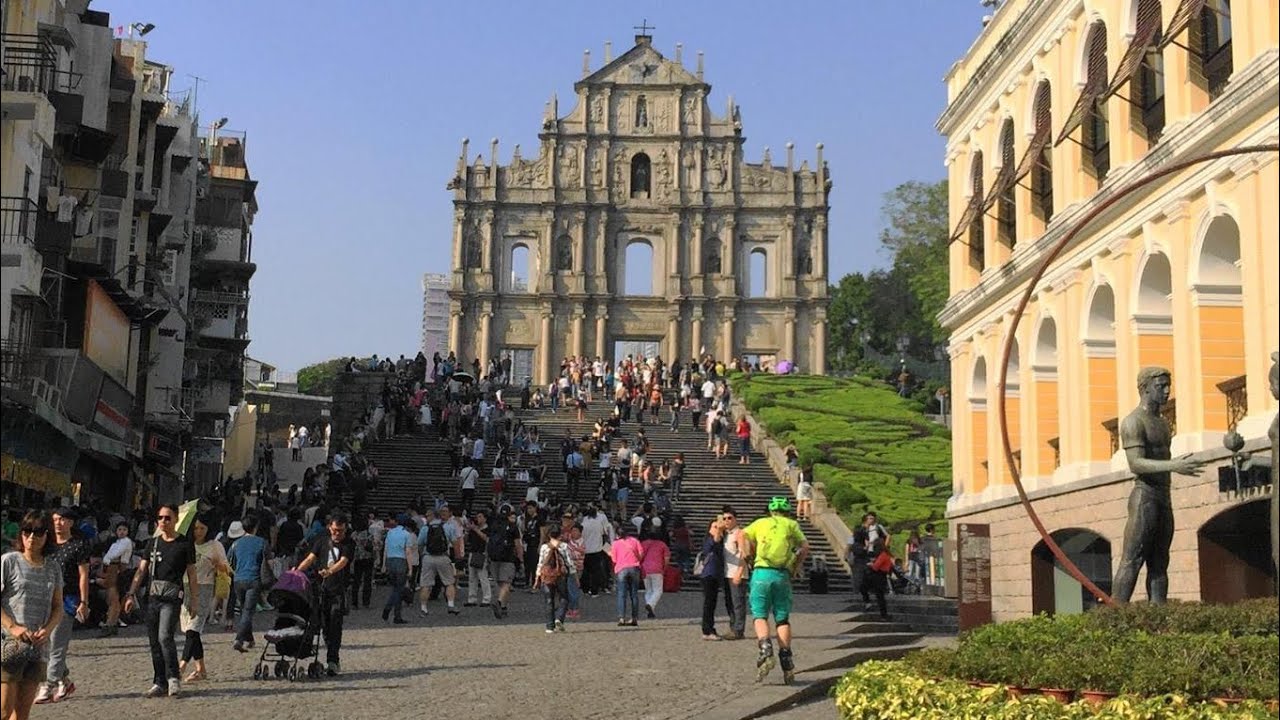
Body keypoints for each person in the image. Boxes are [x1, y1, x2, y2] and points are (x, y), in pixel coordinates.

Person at [1112, 368, 1207, 604]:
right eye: (1161, 386)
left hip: (1164, 497)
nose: (1166, 391)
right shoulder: (1133, 422)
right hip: (1145, 497)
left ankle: (1158, 617)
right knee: (1132, 559)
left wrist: (1173, 464)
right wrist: (1173, 465)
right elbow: (1136, 463)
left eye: (1168, 386)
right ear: (1145, 389)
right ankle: (1114, 617)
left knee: (1160, 561)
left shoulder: (1163, 423)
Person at [124, 505, 198, 698]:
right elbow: (141, 570)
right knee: (154, 641)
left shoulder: (184, 544)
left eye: (167, 518)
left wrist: (194, 600)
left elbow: (191, 573)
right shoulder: (153, 543)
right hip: (153, 597)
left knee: (165, 636)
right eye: (160, 518)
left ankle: (174, 678)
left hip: (172, 598)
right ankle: (159, 681)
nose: (163, 521)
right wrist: (131, 593)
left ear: (175, 519)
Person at [1, 511, 63, 719]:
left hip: (37, 647)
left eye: (38, 532)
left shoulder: (53, 568)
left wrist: (48, 629)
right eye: (27, 531)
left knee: (22, 712)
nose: (31, 538)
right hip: (8, 645)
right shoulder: (9, 562)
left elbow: (58, 606)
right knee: (4, 710)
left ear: (47, 536)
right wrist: (13, 627)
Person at [741, 497, 809, 685]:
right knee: (782, 618)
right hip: (782, 575)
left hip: (761, 573)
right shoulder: (792, 524)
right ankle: (786, 656)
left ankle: (765, 647)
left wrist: (746, 555)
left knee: (760, 615)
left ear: (770, 510)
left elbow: (742, 535)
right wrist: (796, 566)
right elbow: (805, 547)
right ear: (787, 511)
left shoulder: (760, 523)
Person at [36, 508, 89, 705]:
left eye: (63, 519)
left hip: (68, 599)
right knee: (45, 645)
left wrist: (84, 602)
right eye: (56, 519)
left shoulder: (78, 545)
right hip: (45, 598)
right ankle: (64, 680)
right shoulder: (47, 544)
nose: (58, 523)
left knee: (57, 643)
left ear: (71, 523)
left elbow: (83, 575)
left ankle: (48, 685)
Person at [295, 512, 354, 676]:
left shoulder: (349, 543)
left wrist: (330, 571)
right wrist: (296, 572)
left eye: (341, 531)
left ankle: (333, 661)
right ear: (330, 527)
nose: (337, 534)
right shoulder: (321, 541)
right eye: (335, 530)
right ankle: (326, 655)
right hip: (320, 590)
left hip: (338, 591)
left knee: (335, 624)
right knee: (321, 626)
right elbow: (310, 558)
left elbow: (343, 561)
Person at [179, 515, 229, 683]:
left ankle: (182, 666)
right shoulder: (186, 545)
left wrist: (217, 564)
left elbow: (227, 569)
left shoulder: (215, 546)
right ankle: (201, 669)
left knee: (193, 629)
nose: (198, 532)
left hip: (204, 588)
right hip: (186, 587)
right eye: (195, 528)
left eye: (202, 528)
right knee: (191, 632)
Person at [533, 526, 574, 633]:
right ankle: (559, 618)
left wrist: (537, 576)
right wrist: (574, 575)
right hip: (560, 575)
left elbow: (541, 563)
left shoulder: (544, 547)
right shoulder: (564, 546)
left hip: (547, 576)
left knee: (549, 600)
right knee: (564, 598)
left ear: (549, 535)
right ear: (560, 535)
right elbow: (569, 562)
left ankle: (549, 626)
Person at [97, 522, 134, 637]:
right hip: (111, 569)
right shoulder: (116, 543)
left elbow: (114, 555)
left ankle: (110, 624)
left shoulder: (126, 542)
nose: (122, 532)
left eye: (124, 529)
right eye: (119, 529)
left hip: (118, 569)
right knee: (112, 598)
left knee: (114, 598)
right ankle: (111, 623)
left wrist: (107, 559)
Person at [698, 515, 731, 641]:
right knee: (709, 603)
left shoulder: (722, 539)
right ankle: (707, 630)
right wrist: (719, 527)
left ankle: (710, 628)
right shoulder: (709, 539)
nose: (717, 528)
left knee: (712, 603)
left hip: (716, 573)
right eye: (714, 526)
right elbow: (715, 541)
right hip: (709, 573)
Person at [381, 514, 414, 624]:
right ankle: (388, 608)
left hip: (390, 560)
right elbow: (408, 552)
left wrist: (383, 564)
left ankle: (397, 616)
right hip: (401, 561)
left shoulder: (390, 532)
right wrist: (410, 568)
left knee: (396, 589)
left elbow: (386, 548)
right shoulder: (407, 534)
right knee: (399, 589)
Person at [611, 523, 644, 627]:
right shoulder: (635, 541)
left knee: (621, 594)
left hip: (621, 569)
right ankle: (634, 618)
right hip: (634, 567)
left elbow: (614, 559)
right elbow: (641, 554)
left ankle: (621, 618)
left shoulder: (615, 544)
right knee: (634, 594)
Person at [639, 529, 669, 619]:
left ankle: (650, 609)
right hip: (657, 568)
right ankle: (650, 605)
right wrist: (665, 569)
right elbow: (666, 559)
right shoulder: (662, 545)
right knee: (658, 590)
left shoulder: (643, 544)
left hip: (645, 568)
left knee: (648, 590)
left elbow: (639, 555)